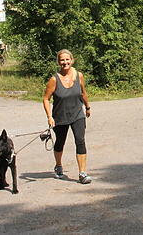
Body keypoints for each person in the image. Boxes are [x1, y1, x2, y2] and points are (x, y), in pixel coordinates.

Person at [42, 49, 92, 184]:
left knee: (80, 141)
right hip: (60, 116)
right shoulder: (54, 80)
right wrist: (49, 117)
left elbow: (83, 93)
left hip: (77, 114)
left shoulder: (79, 75)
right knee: (60, 142)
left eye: (67, 60)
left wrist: (87, 107)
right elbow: (46, 98)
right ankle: (58, 166)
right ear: (58, 62)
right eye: (62, 60)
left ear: (72, 60)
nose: (65, 62)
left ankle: (82, 173)